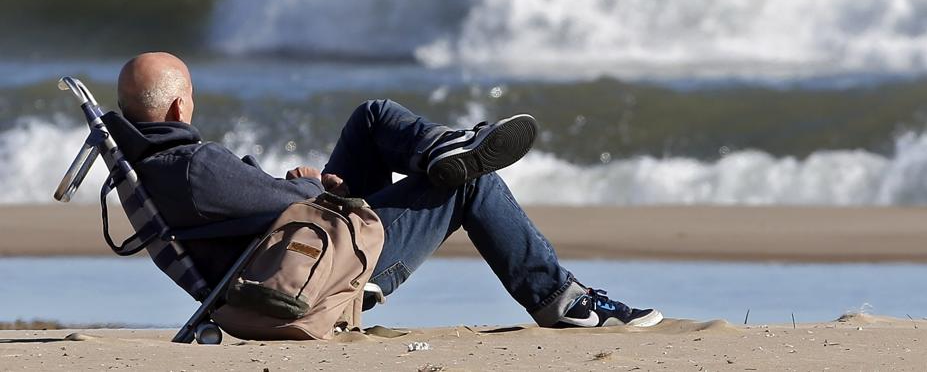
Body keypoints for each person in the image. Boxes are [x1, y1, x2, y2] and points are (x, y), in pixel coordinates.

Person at [115, 51, 662, 328]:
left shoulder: (165, 168)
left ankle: (438, 150)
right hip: (320, 270)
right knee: (472, 185)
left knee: (370, 120)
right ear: (179, 106)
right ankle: (559, 299)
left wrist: (299, 192)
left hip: (299, 251)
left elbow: (246, 211)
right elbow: (285, 207)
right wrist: (305, 189)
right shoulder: (196, 166)